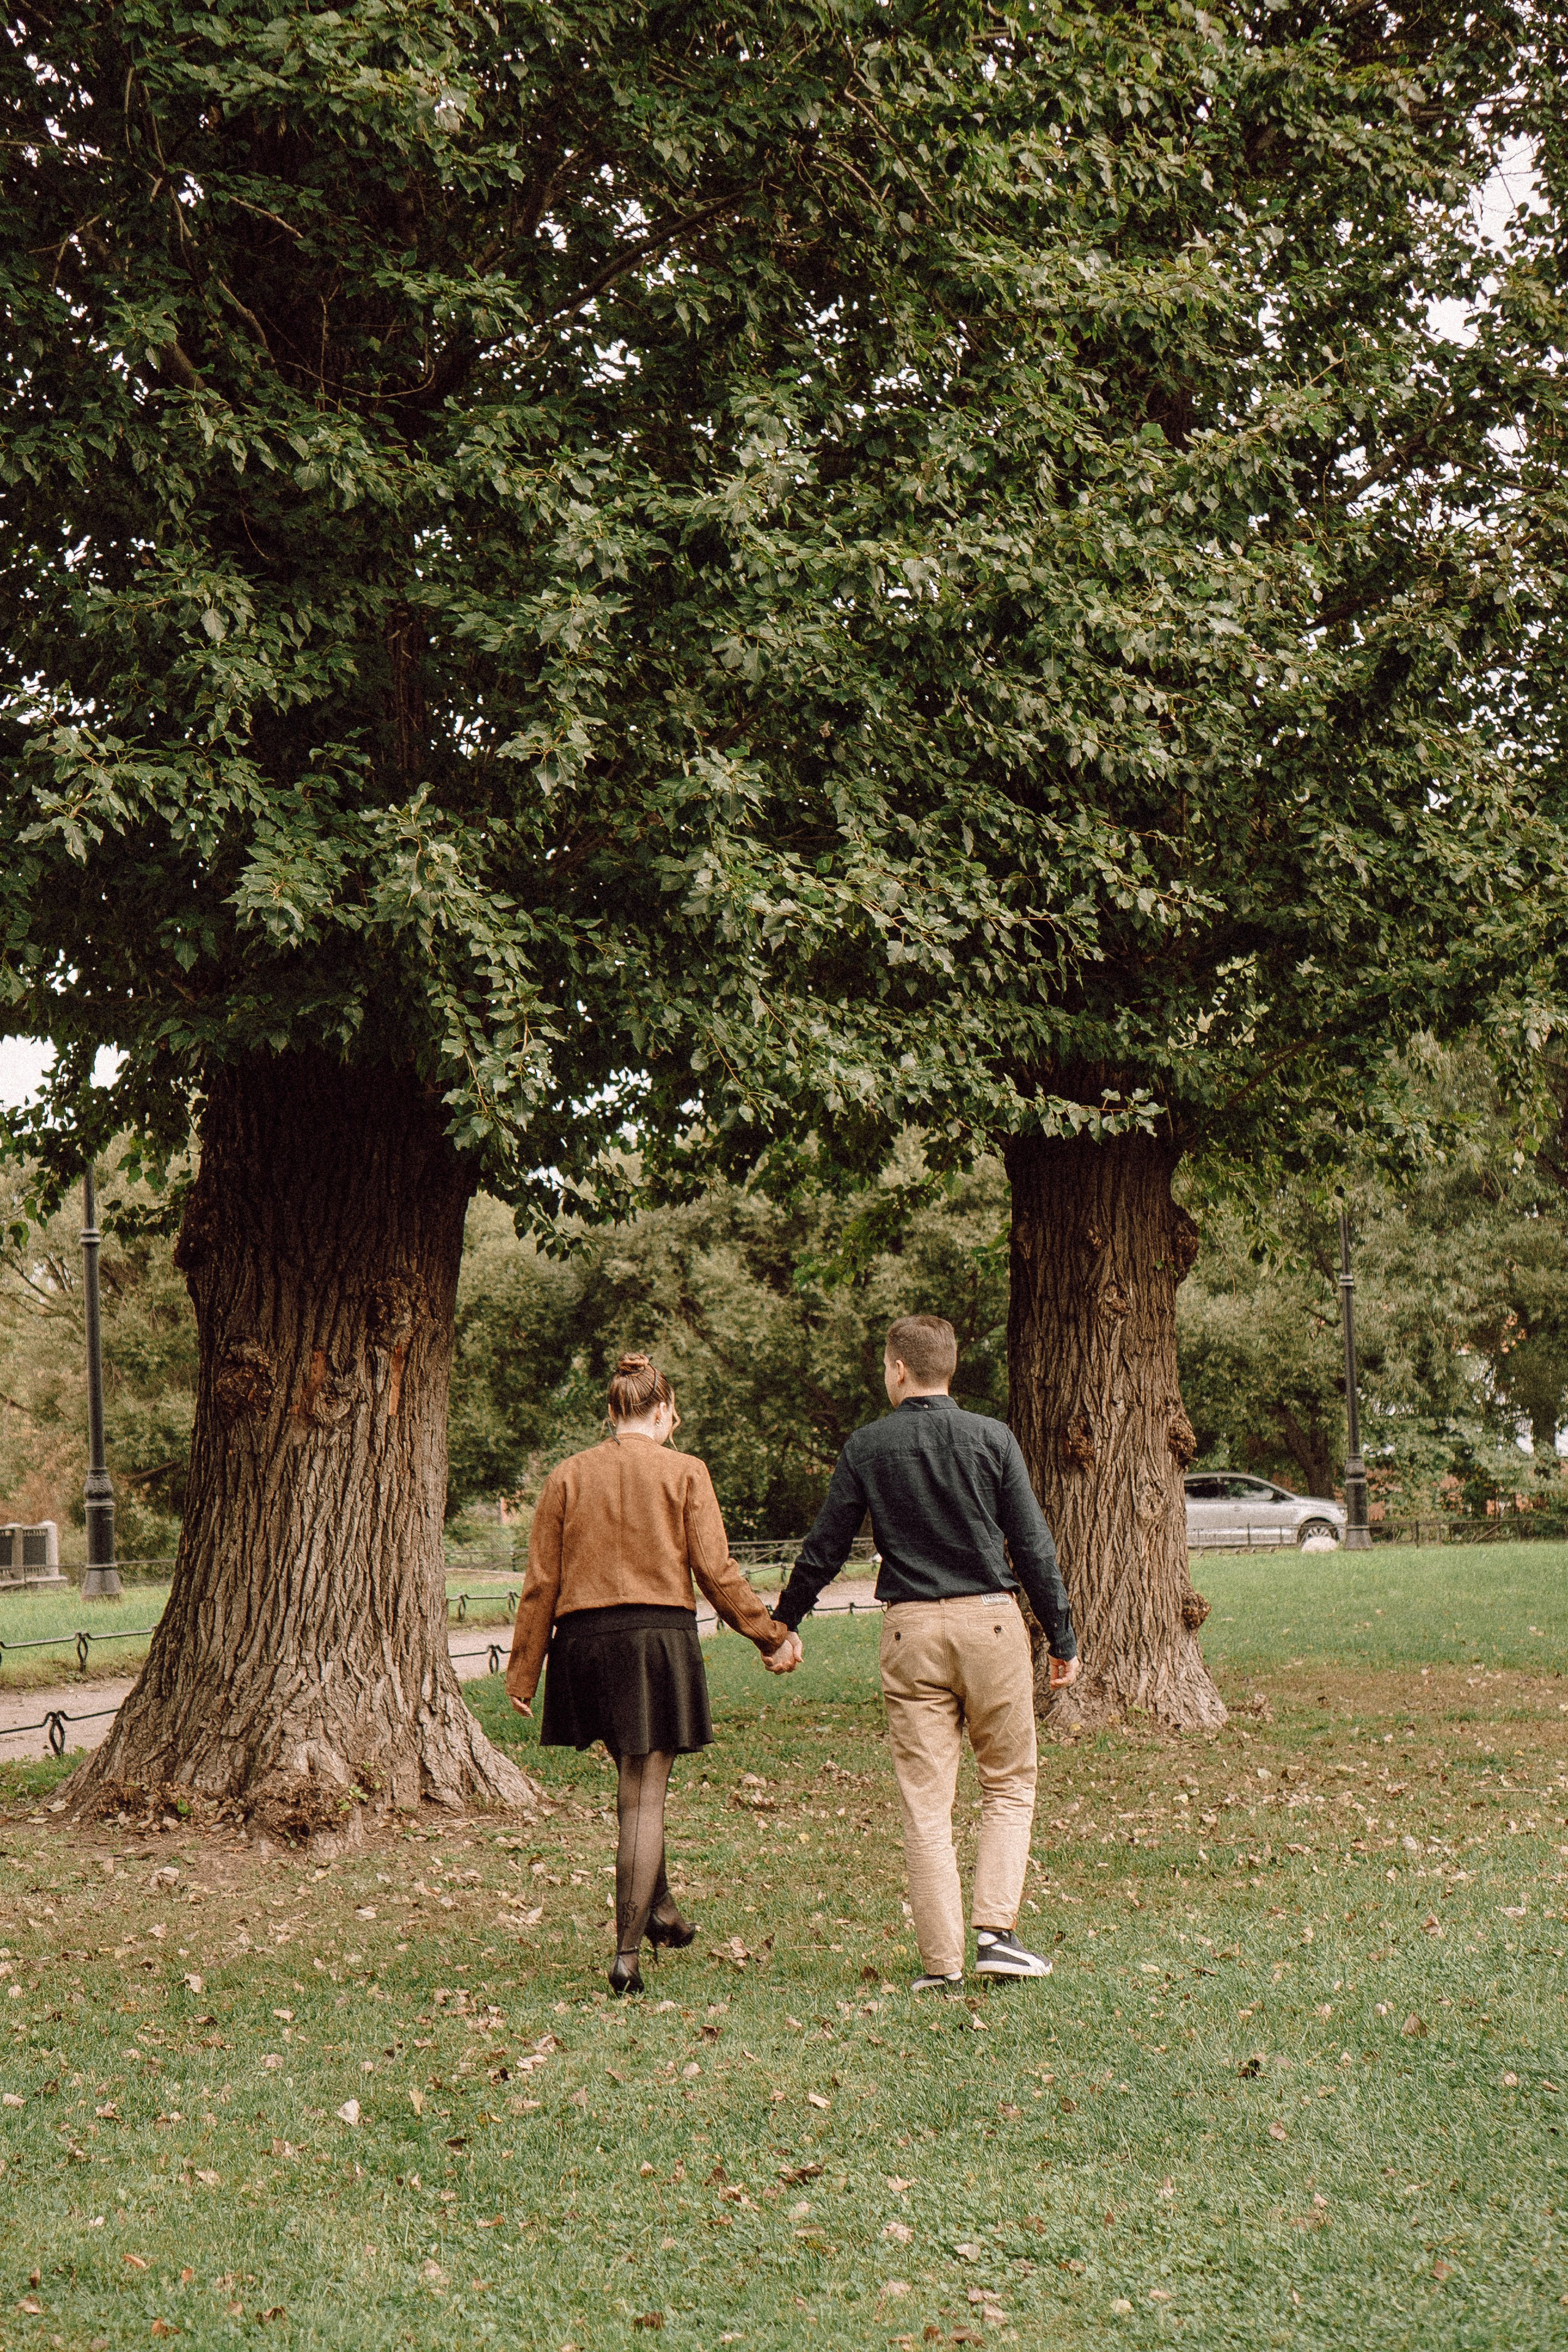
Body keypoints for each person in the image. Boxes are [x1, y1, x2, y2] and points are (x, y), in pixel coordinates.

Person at [770, 1314, 1080, 1989]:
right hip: (991, 1625)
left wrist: (784, 1623)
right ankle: (996, 1936)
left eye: (886, 1367)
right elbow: (1032, 1544)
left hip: (910, 1632)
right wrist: (1062, 1636)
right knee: (1008, 1782)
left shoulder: (867, 1446)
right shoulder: (993, 1438)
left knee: (925, 1802)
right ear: (950, 1368)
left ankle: (942, 1967)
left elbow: (826, 1547)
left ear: (900, 1369)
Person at [505, 1352, 802, 1995]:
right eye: (674, 1415)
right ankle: (625, 1955)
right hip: (655, 1640)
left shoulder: (566, 1475)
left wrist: (524, 1671)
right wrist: (770, 1635)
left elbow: (542, 1581)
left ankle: (662, 1911)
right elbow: (715, 1571)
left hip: (584, 1646)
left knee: (634, 1779)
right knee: (643, 1797)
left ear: (612, 1412)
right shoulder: (685, 1470)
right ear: (663, 1411)